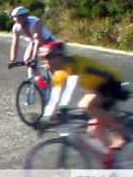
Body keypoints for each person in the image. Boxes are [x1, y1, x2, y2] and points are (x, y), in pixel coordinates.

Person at [39, 41, 130, 169]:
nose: (45, 62)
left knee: (86, 104)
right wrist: (46, 118)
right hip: (99, 88)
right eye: (43, 59)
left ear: (59, 56)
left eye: (48, 57)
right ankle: (114, 160)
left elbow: (70, 89)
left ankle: (123, 133)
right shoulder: (59, 74)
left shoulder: (74, 65)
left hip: (111, 84)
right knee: (94, 129)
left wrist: (62, 110)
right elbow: (55, 97)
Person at [9, 6, 56, 78]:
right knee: (27, 61)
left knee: (49, 65)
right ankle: (37, 83)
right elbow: (15, 44)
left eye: (19, 18)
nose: (17, 20)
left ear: (26, 16)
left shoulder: (36, 21)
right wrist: (12, 59)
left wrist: (34, 57)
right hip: (34, 42)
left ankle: (57, 84)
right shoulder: (16, 28)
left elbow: (38, 40)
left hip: (48, 41)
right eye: (15, 18)